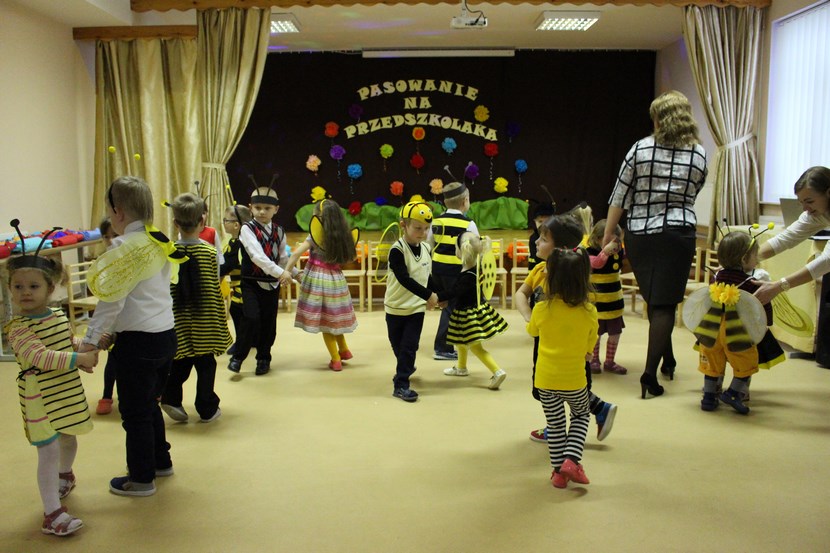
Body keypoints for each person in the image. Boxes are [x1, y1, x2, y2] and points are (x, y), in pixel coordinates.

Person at [80, 175, 183, 497]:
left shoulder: (124, 248)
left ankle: (140, 479)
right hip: (165, 336)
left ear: (118, 211)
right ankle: (161, 461)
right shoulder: (158, 240)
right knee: (150, 403)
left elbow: (111, 301)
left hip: (137, 343)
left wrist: (89, 343)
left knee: (135, 413)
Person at [603, 90, 708, 398]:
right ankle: (655, 369)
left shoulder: (641, 148)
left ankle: (661, 364)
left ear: (658, 119)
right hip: (678, 233)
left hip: (641, 234)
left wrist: (609, 233)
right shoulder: (699, 153)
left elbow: (620, 194)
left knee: (655, 298)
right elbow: (696, 189)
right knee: (665, 302)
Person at [5, 246, 96, 536]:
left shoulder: (58, 314)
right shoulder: (17, 328)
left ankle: (65, 474)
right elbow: (40, 356)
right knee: (48, 450)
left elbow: (67, 342)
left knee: (68, 437)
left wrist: (86, 345)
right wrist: (78, 359)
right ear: (10, 289)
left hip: (64, 390)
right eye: (18, 286)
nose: (25, 292)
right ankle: (52, 514)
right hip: (39, 397)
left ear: (50, 288)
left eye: (33, 286)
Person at [515, 214, 617, 442]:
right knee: (545, 387)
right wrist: (529, 316)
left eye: (544, 239)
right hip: (545, 341)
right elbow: (521, 293)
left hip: (572, 347)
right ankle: (586, 414)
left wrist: (588, 349)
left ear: (560, 249)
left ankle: (569, 426)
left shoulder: (574, 276)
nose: (536, 242)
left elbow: (588, 319)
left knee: (570, 386)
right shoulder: (539, 270)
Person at [527, 247, 597, 489]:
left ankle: (558, 472)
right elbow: (590, 345)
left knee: (555, 425)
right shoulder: (589, 312)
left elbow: (532, 331)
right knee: (581, 415)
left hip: (545, 380)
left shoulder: (541, 309)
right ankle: (571, 460)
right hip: (574, 379)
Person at [160, 193, 232, 423]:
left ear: (175, 223)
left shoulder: (168, 252)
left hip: (177, 317)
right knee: (206, 363)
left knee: (180, 360)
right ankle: (206, 406)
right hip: (205, 317)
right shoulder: (210, 252)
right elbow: (215, 284)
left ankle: (171, 398)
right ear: (203, 221)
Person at [696, 231, 785, 414]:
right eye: (755, 256)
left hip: (712, 330)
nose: (757, 260)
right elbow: (761, 306)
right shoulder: (751, 283)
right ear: (744, 259)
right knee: (747, 362)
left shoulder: (716, 277)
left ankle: (709, 398)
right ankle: (734, 393)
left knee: (713, 362)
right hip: (736, 332)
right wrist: (766, 324)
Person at [280, 199, 358, 371]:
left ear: (319, 217)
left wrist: (287, 271)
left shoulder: (316, 235)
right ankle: (344, 350)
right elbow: (351, 257)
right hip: (336, 281)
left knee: (325, 323)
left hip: (318, 281)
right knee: (334, 319)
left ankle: (336, 359)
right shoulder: (343, 235)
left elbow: (295, 254)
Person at [229, 186, 296, 376]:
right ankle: (238, 356)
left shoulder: (279, 231)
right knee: (251, 318)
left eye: (267, 208)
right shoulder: (246, 229)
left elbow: (282, 258)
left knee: (268, 323)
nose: (262, 212)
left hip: (272, 285)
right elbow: (257, 256)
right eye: (257, 207)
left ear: (276, 209)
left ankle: (264, 358)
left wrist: (294, 273)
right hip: (251, 282)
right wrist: (281, 273)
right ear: (250, 207)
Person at [385, 201, 440, 402]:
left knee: (409, 346)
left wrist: (437, 294)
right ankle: (405, 366)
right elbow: (404, 279)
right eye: (417, 228)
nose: (423, 233)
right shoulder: (397, 251)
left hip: (416, 308)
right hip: (395, 308)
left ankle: (401, 384)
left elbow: (427, 277)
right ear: (403, 225)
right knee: (398, 347)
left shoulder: (426, 248)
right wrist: (428, 295)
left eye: (426, 228)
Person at [439, 232, 508, 389]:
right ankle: (461, 367)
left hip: (468, 315)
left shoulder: (467, 276)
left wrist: (438, 297)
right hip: (471, 311)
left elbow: (454, 292)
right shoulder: (476, 268)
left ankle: (497, 371)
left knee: (475, 347)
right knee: (461, 341)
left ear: (461, 251)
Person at [755, 167, 830, 308]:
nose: (805, 208)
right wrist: (741, 261)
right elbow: (785, 239)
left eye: (809, 201)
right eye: (801, 203)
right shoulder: (816, 214)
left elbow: (826, 261)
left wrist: (779, 286)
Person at [429, 181, 478, 361]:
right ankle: (442, 348)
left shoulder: (436, 221)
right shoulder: (469, 224)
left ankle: (454, 342)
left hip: (437, 270)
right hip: (455, 272)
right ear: (465, 201)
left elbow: (429, 245)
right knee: (451, 308)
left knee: (448, 306)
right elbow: (475, 249)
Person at [586, 219, 628, 375]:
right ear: (597, 239)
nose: (614, 245)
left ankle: (610, 361)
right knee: (595, 333)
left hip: (614, 301)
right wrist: (605, 252)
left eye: (616, 240)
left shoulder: (618, 251)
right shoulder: (589, 252)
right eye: (610, 240)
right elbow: (597, 263)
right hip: (596, 302)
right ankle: (594, 360)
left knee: (615, 333)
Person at [220, 204, 253, 356]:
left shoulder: (239, 243)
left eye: (226, 220)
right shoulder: (233, 242)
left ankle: (242, 342)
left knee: (237, 310)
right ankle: (247, 340)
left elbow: (229, 264)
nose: (223, 223)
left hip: (243, 285)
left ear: (236, 225)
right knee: (238, 311)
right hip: (238, 284)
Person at [93, 217, 119, 415]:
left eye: (115, 235)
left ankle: (153, 391)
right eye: (106, 237)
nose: (111, 240)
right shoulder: (103, 261)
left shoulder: (134, 258)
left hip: (131, 318)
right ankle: (107, 395)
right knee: (113, 359)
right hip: (112, 318)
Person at [528, 202, 556, 271]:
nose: (543, 225)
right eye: (540, 221)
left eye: (547, 221)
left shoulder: (556, 236)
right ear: (535, 221)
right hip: (537, 271)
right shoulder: (533, 238)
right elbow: (537, 258)